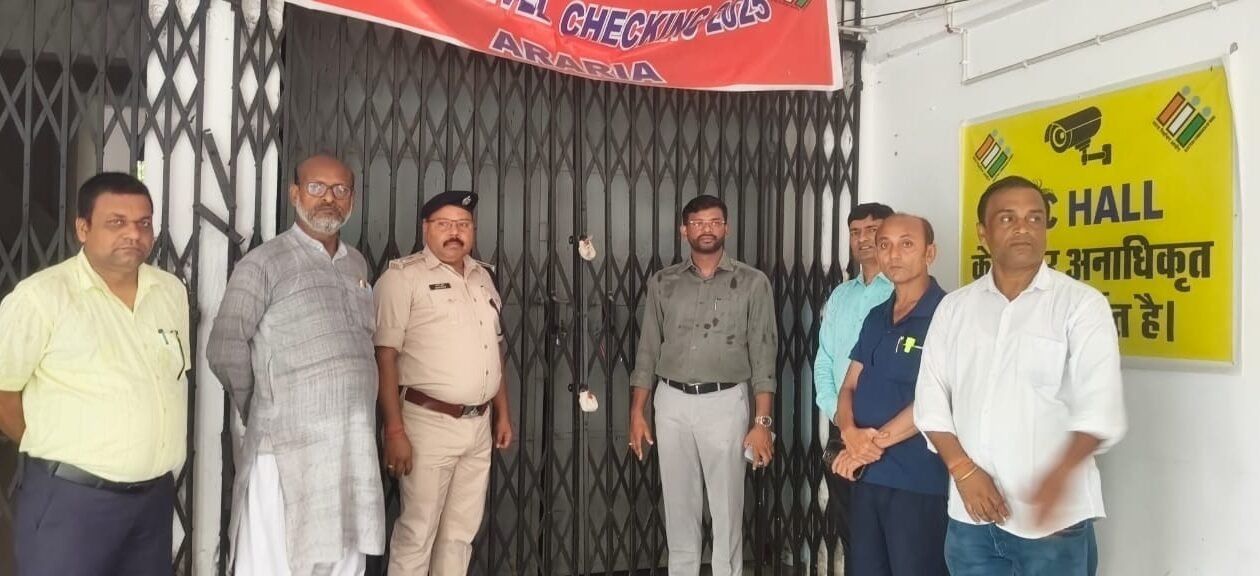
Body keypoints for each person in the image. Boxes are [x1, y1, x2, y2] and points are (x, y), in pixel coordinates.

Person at [914, 175, 1126, 575]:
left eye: (1034, 218)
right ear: (983, 233)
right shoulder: (955, 308)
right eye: (1008, 218)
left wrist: (1054, 485)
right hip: (971, 517)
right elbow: (931, 399)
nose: (1023, 228)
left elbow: (1100, 410)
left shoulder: (1081, 305)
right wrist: (963, 471)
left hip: (1052, 524)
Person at [0, 172, 189, 575]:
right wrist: (58, 445)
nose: (133, 234)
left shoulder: (170, 291)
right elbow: (3, 392)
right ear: (83, 228)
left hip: (153, 501)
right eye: (116, 222)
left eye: (143, 223)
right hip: (72, 501)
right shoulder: (42, 297)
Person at [208, 154, 385, 576]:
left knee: (342, 562)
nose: (329, 198)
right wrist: (263, 405)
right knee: (275, 564)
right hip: (286, 450)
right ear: (294, 194)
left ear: (352, 199)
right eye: (316, 187)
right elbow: (225, 347)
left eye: (340, 189)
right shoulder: (263, 263)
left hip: (351, 449)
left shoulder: (356, 264)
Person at [627, 194, 778, 576]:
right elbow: (648, 349)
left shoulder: (753, 283)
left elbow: (764, 356)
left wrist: (762, 423)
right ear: (684, 230)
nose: (706, 229)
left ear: (726, 228)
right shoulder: (663, 282)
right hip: (671, 402)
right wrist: (637, 412)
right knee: (679, 505)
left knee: (727, 508)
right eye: (697, 223)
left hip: (724, 402)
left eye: (714, 222)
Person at [374, 189, 514, 575]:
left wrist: (502, 412)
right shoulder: (402, 279)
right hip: (427, 424)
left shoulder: (483, 276)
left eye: (463, 224)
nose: (455, 232)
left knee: (459, 535)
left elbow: (493, 349)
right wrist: (394, 430)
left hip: (478, 425)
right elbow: (385, 357)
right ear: (426, 229)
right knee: (417, 532)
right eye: (444, 224)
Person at [830, 214, 949, 576]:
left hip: (916, 479)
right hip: (866, 477)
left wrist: (868, 446)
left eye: (906, 244)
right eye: (885, 245)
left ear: (930, 253)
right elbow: (849, 385)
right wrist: (849, 433)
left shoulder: (947, 315)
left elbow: (937, 396)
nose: (894, 254)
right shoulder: (876, 316)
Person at [812, 202, 894, 551]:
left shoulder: (902, 293)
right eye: (855, 232)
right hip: (843, 430)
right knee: (852, 532)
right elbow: (824, 361)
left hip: (887, 434)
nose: (863, 239)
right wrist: (840, 418)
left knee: (891, 537)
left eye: (872, 230)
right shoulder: (841, 295)